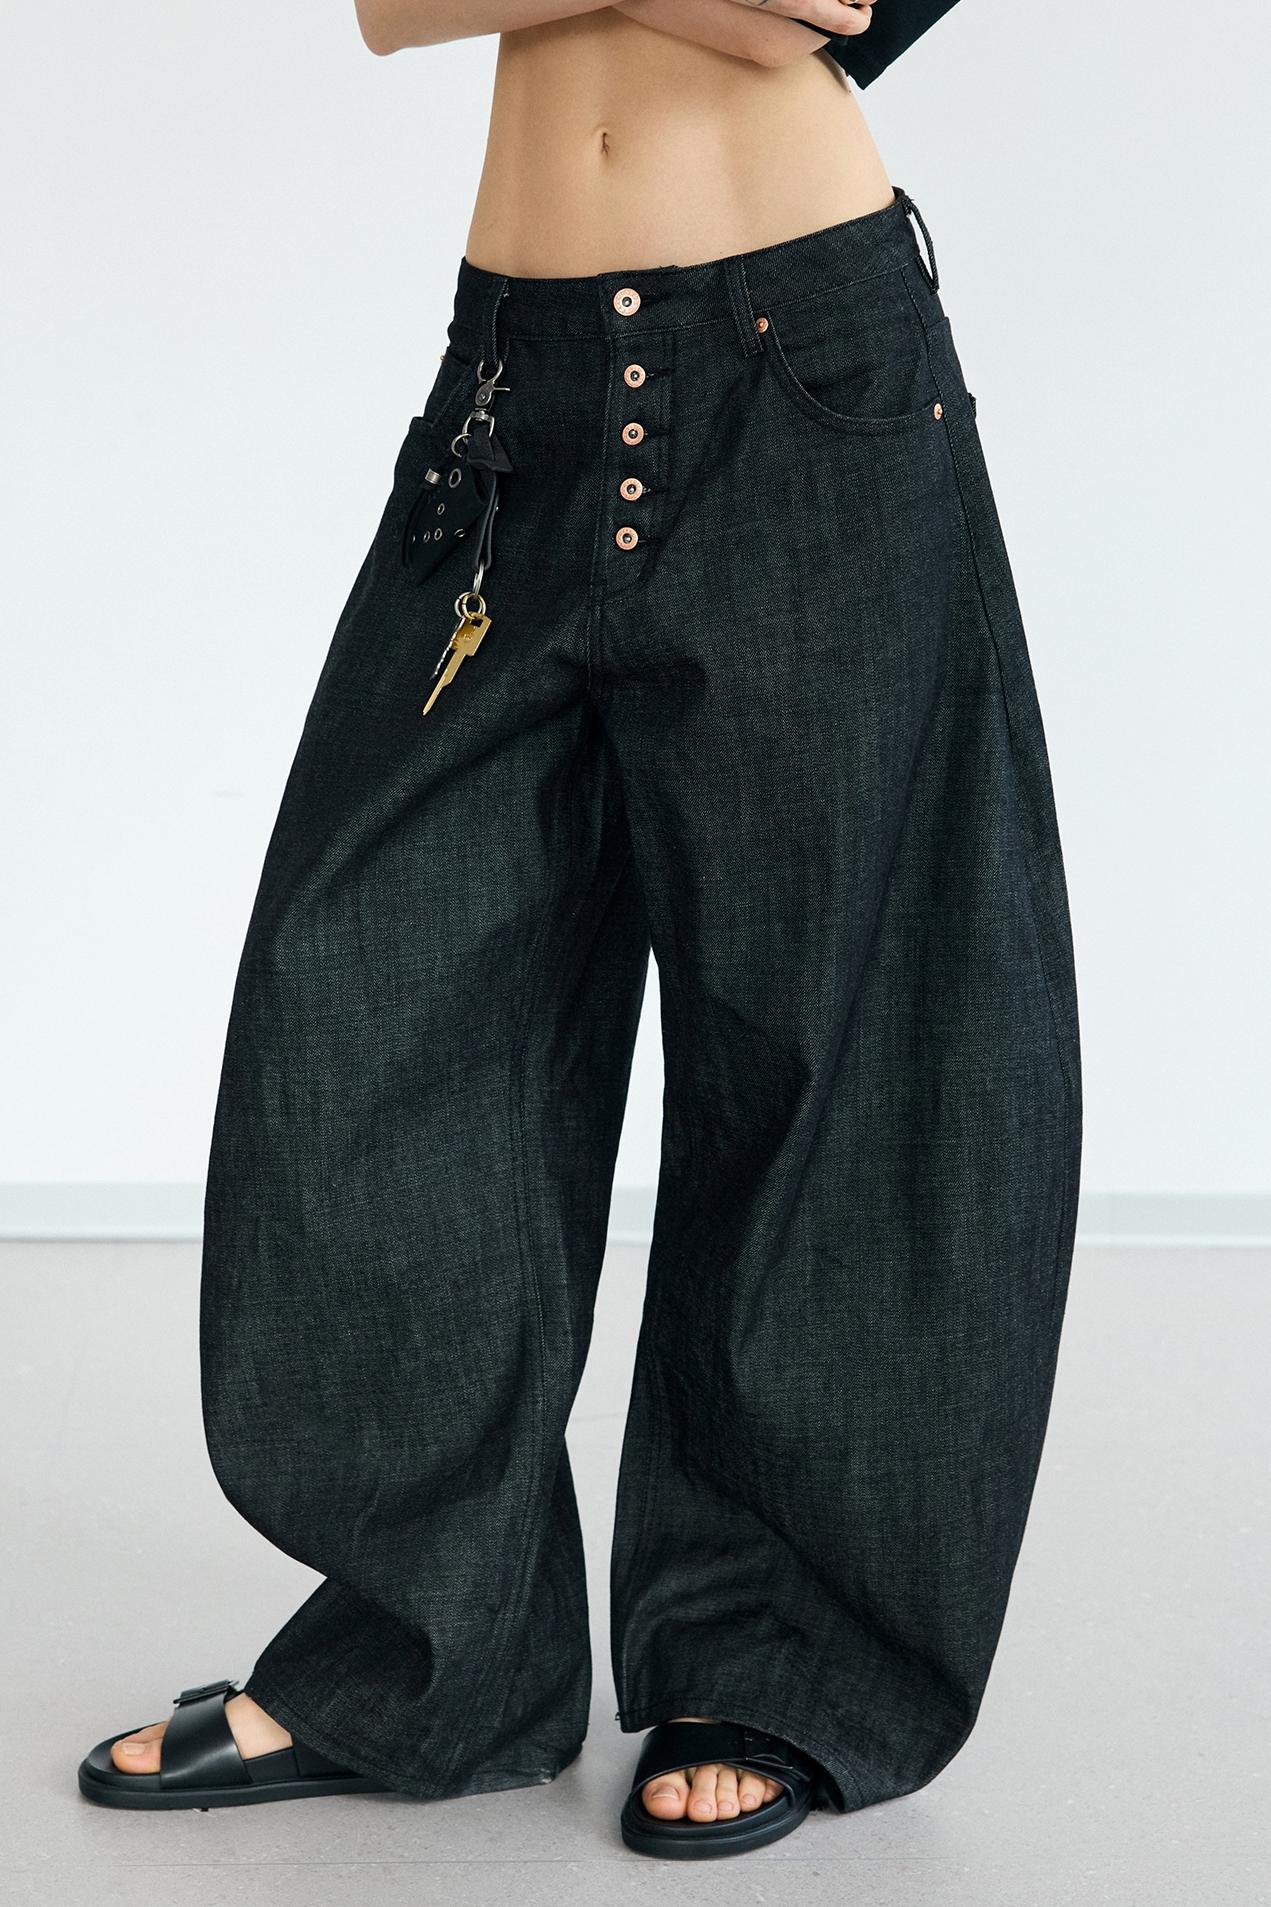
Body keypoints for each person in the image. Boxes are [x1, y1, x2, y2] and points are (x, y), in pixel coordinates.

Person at [76, 0, 1082, 1863]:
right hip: (511, 392)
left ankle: (780, 1658)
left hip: (807, 372)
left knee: (827, 1046)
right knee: (366, 993)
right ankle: (428, 1655)